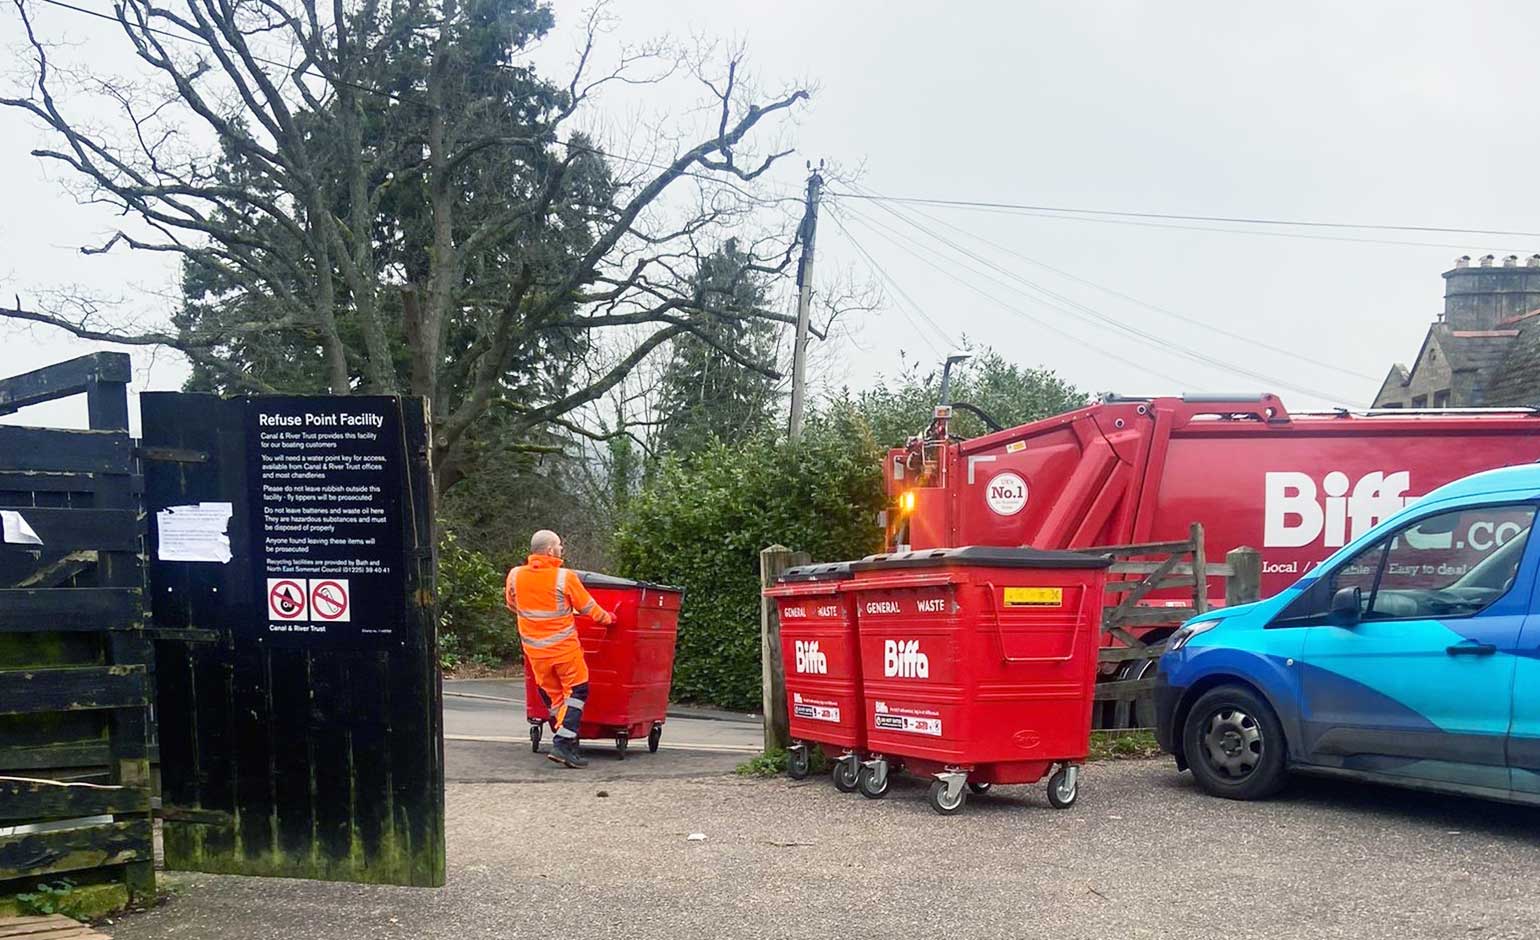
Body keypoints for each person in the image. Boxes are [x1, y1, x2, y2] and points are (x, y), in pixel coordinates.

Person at [505, 529, 615, 768]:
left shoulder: (514, 575)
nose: (561, 549)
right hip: (564, 650)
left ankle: (567, 743)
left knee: (555, 699)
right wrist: (609, 618)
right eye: (559, 545)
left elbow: (513, 605)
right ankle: (564, 743)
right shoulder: (564, 578)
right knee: (578, 692)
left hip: (535, 652)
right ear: (549, 550)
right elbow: (589, 608)